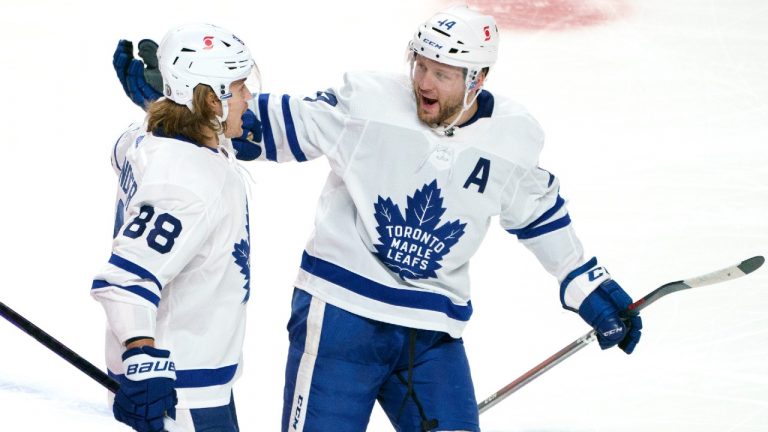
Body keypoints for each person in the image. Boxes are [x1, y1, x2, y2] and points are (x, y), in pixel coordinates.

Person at [114, 6, 643, 431]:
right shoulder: (368, 104)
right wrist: (175, 105)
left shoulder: (512, 137)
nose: (424, 82)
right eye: (421, 66)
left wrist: (585, 283)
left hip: (431, 336)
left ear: (477, 78)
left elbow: (538, 209)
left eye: (442, 73)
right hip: (341, 321)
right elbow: (260, 125)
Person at [93, 23, 257, 432]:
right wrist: (143, 356)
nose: (249, 97)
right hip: (179, 392)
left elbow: (124, 149)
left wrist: (162, 104)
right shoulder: (188, 181)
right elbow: (126, 279)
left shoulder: (146, 139)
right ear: (210, 99)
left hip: (188, 377)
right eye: (238, 88)